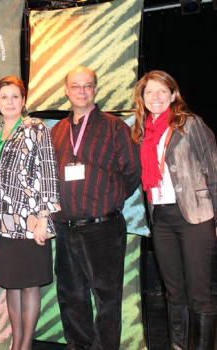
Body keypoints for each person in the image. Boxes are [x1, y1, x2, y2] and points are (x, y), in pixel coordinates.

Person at [50, 66, 141, 349]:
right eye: (75, 86)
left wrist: (107, 202)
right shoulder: (58, 130)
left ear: (95, 89)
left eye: (87, 85)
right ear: (66, 90)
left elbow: (132, 171)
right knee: (71, 295)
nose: (81, 91)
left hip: (103, 228)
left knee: (106, 298)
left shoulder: (115, 127)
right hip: (65, 228)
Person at [133, 70, 217, 349]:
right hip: (162, 219)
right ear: (142, 98)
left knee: (199, 293)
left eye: (161, 91)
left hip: (195, 216)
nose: (155, 97)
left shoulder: (190, 124)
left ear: (172, 94)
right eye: (149, 92)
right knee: (173, 292)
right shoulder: (143, 131)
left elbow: (214, 172)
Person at [0, 76, 60, 350]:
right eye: (4, 97)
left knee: (29, 285)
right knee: (11, 285)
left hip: (30, 221)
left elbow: (49, 174)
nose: (9, 102)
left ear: (23, 101)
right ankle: (16, 342)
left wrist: (44, 220)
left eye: (15, 96)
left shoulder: (36, 128)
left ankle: (24, 346)